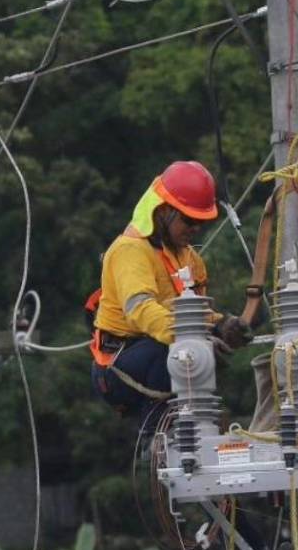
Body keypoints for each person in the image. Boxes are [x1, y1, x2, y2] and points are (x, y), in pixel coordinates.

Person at [89, 160, 248, 429]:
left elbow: (194, 312)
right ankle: (160, 434)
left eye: (200, 222)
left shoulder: (189, 258)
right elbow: (141, 310)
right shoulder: (130, 250)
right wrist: (190, 338)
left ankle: (194, 427)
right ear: (164, 211)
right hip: (118, 366)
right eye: (189, 220)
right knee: (176, 352)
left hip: (159, 351)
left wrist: (221, 325)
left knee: (192, 354)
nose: (195, 228)